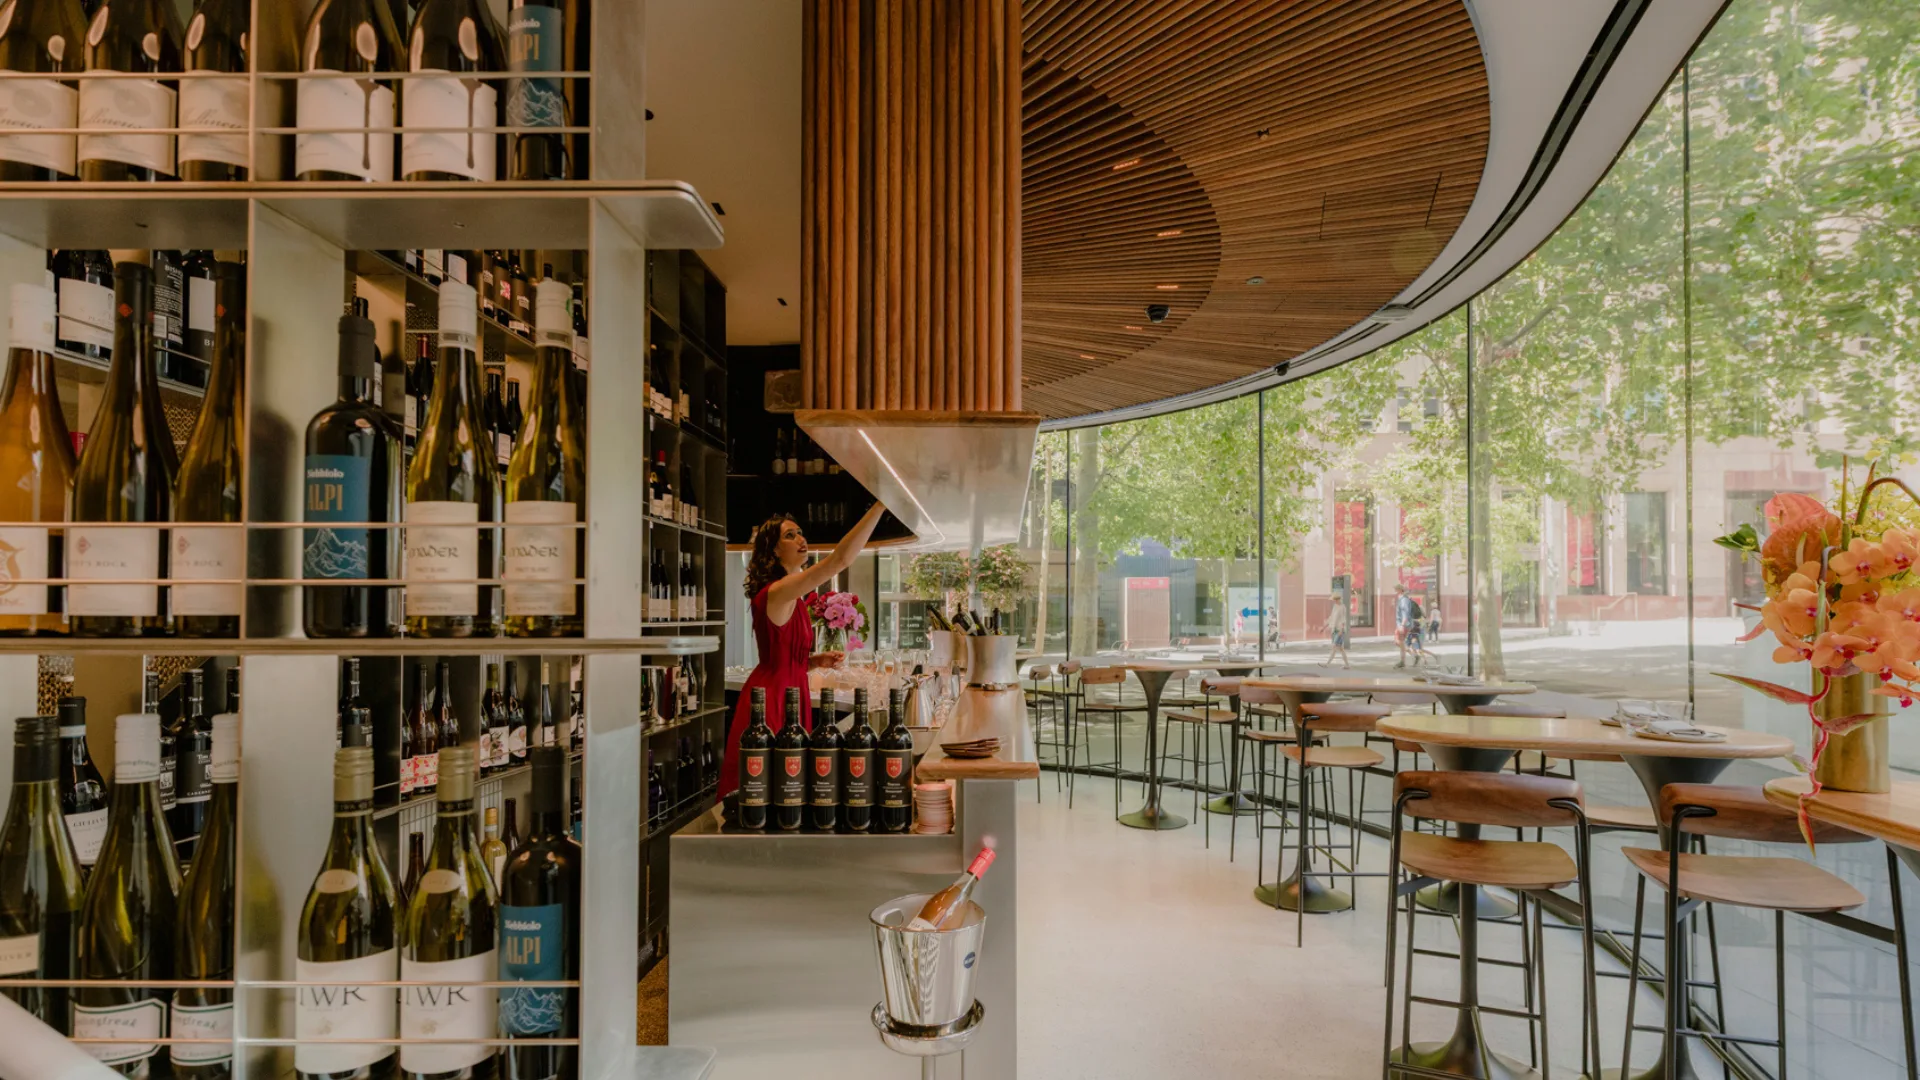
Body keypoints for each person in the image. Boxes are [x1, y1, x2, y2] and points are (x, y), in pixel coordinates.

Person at [719, 503, 887, 797]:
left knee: (785, 785)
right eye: (789, 536)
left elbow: (780, 651)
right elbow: (841, 559)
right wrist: (881, 505)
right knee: (770, 787)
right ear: (772, 551)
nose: (800, 539)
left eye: (800, 533)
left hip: (791, 690)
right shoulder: (778, 590)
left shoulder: (792, 596)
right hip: (773, 698)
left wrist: (811, 661)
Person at [1393, 583, 1419, 668]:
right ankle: (1411, 656)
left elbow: (1405, 613)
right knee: (1399, 642)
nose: (1395, 591)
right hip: (1402, 624)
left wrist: (1402, 625)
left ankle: (1405, 660)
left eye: (1396, 589)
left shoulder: (1404, 600)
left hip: (1403, 624)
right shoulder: (1402, 599)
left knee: (1399, 642)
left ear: (1400, 590)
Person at [1319, 596, 1350, 668]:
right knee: (1340, 649)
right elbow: (1331, 618)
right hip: (1334, 630)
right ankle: (1347, 665)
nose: (1335, 601)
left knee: (1334, 647)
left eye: (1336, 599)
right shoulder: (1335, 607)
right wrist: (1324, 627)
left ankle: (1327, 664)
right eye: (1334, 600)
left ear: (1339, 599)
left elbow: (1343, 619)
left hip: (1339, 630)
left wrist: (1341, 630)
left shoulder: (1342, 607)